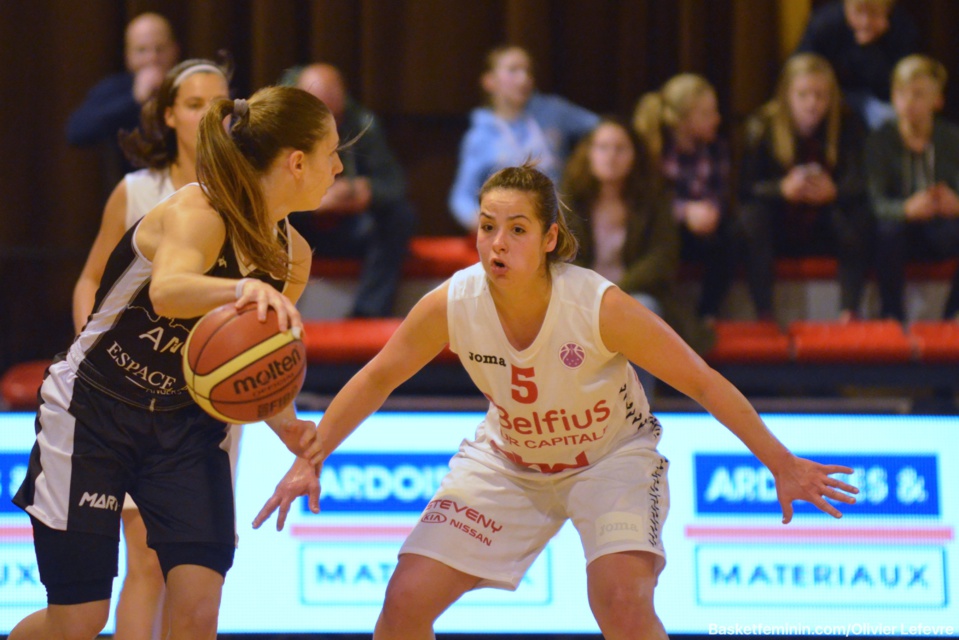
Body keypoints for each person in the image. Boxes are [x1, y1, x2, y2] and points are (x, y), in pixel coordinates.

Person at [254, 164, 858, 640]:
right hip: (509, 461)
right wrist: (314, 454)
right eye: (487, 225)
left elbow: (701, 381)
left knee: (621, 604)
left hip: (611, 460)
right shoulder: (453, 301)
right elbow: (377, 376)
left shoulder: (597, 305)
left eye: (516, 229)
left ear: (548, 239)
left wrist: (781, 463)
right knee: (404, 602)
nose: (497, 242)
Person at [10, 85, 338, 640]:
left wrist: (287, 423)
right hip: (93, 409)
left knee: (196, 611)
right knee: (79, 620)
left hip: (186, 428)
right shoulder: (199, 208)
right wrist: (243, 289)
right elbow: (168, 291)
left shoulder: (293, 258)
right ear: (298, 162)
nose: (338, 166)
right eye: (332, 152)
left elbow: (246, 363)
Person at [71, 57, 231, 640]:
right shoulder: (138, 189)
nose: (210, 116)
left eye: (221, 105)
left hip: (206, 400)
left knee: (196, 574)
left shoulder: (242, 199)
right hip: (130, 394)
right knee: (144, 559)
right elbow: (90, 278)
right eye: (194, 104)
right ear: (169, 115)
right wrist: (95, 345)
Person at [562, 117, 715, 402]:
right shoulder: (570, 200)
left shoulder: (654, 198)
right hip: (579, 296)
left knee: (641, 311)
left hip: (636, 294)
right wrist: (594, 292)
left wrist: (616, 290)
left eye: (620, 148)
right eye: (603, 147)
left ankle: (636, 411)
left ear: (634, 156)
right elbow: (561, 258)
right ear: (588, 154)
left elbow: (663, 258)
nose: (611, 156)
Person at [739, 54, 872, 322]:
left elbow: (862, 182)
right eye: (803, 95)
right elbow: (744, 189)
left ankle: (849, 311)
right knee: (752, 217)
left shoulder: (848, 125)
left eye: (820, 95)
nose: (812, 104)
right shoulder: (761, 126)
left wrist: (833, 191)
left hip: (825, 222)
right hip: (780, 223)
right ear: (787, 95)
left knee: (858, 215)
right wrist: (782, 189)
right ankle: (764, 312)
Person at [281, 63, 416, 317]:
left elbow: (394, 184)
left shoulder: (362, 123)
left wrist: (365, 192)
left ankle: (368, 315)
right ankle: (276, 312)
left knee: (400, 216)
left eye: (334, 116)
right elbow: (262, 191)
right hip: (297, 228)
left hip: (349, 226)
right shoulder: (280, 126)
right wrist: (313, 202)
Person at [448, 45, 599, 231]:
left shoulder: (554, 111)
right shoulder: (479, 136)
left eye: (528, 71)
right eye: (513, 70)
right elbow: (461, 196)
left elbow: (603, 128)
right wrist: (485, 223)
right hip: (511, 230)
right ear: (489, 82)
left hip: (562, 224)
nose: (524, 79)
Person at [633, 74, 737, 321]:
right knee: (661, 237)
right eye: (707, 113)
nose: (717, 119)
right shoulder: (653, 149)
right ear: (684, 119)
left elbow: (722, 193)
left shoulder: (716, 148)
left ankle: (707, 314)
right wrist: (684, 212)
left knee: (732, 235)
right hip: (664, 229)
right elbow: (644, 201)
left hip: (702, 231)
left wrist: (712, 211)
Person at [865, 54, 959, 321]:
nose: (908, 102)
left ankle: (954, 315)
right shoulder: (879, 140)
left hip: (940, 228)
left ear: (936, 100)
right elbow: (874, 202)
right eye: (901, 93)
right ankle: (891, 314)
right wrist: (907, 209)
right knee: (888, 231)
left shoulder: (951, 138)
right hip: (899, 232)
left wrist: (955, 203)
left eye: (918, 94)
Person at [66, 12, 181, 187]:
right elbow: (76, 132)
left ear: (174, 50)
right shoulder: (115, 89)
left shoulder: (190, 86)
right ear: (128, 56)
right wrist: (135, 99)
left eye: (160, 49)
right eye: (142, 50)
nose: (152, 58)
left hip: (185, 193)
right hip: (130, 197)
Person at [795, 0, 918, 129]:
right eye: (858, 11)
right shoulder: (824, 23)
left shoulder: (901, 27)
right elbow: (800, 68)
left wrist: (868, 48)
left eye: (873, 13)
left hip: (874, 96)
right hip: (829, 93)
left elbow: (892, 90)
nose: (865, 21)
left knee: (887, 117)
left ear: (887, 11)